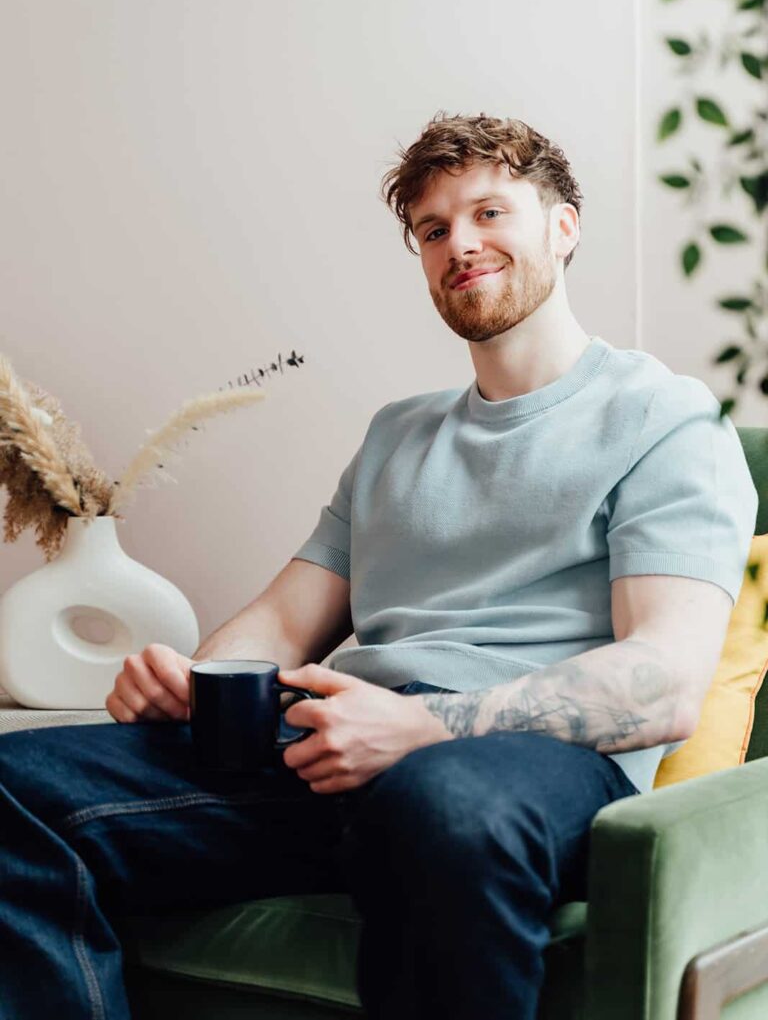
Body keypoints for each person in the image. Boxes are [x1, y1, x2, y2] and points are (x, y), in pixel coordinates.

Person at [0, 112, 758, 1020]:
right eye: (434, 230)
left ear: (563, 226)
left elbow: (663, 683)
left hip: (525, 765)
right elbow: (283, 622)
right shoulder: (398, 433)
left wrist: (423, 725)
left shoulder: (666, 418)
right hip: (328, 745)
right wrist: (197, 679)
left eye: (489, 213)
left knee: (440, 805)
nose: (460, 245)